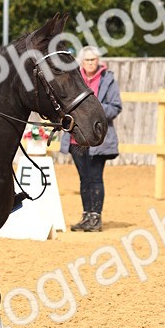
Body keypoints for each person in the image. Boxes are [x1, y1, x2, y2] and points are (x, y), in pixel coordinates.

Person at [60, 46, 122, 232]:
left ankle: (96, 217)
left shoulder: (107, 79)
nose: (90, 63)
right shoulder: (74, 79)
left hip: (97, 138)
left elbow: (115, 106)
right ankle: (86, 215)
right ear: (81, 62)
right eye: (87, 60)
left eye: (93, 60)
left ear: (98, 61)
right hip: (76, 138)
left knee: (95, 178)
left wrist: (93, 112)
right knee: (83, 179)